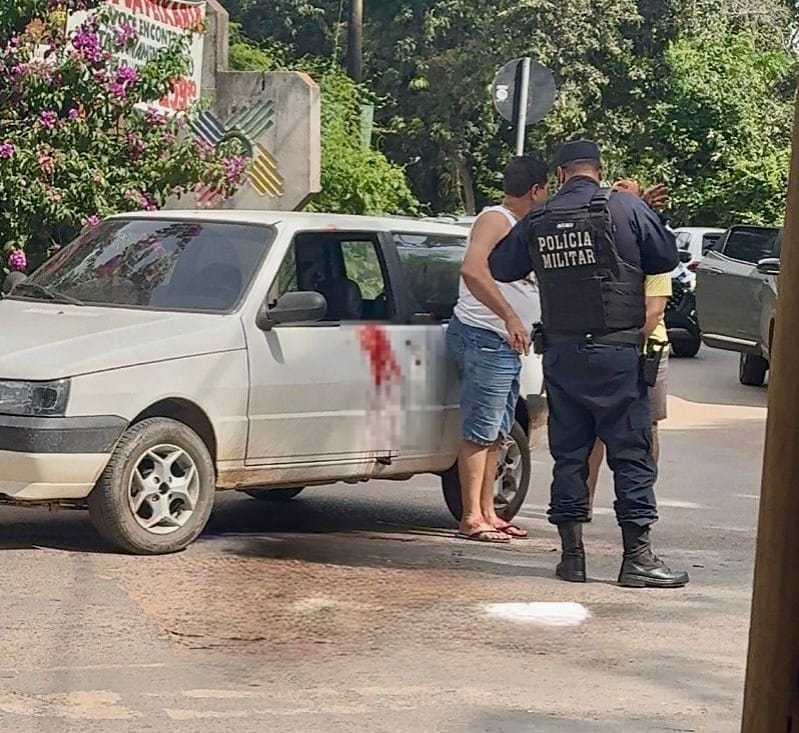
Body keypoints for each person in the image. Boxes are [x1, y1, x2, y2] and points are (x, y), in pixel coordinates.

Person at [487, 140, 689, 588]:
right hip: (617, 353)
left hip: (562, 354)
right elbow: (666, 257)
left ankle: (572, 558)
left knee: (570, 456)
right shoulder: (624, 207)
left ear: (560, 174)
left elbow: (500, 266)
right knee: (631, 454)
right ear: (599, 170)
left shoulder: (539, 217)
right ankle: (637, 559)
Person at [446, 156, 549, 543]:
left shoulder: (523, 227)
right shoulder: (496, 218)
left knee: (498, 432)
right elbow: (472, 270)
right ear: (536, 190)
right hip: (484, 336)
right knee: (480, 430)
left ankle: (490, 510)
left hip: (505, 344)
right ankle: (471, 515)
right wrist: (508, 316)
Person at [586, 179, 672, 520]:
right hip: (607, 347)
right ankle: (584, 502)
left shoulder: (652, 250)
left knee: (645, 429)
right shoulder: (601, 246)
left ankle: (641, 500)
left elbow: (654, 311)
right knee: (593, 431)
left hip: (647, 351)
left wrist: (624, 344)